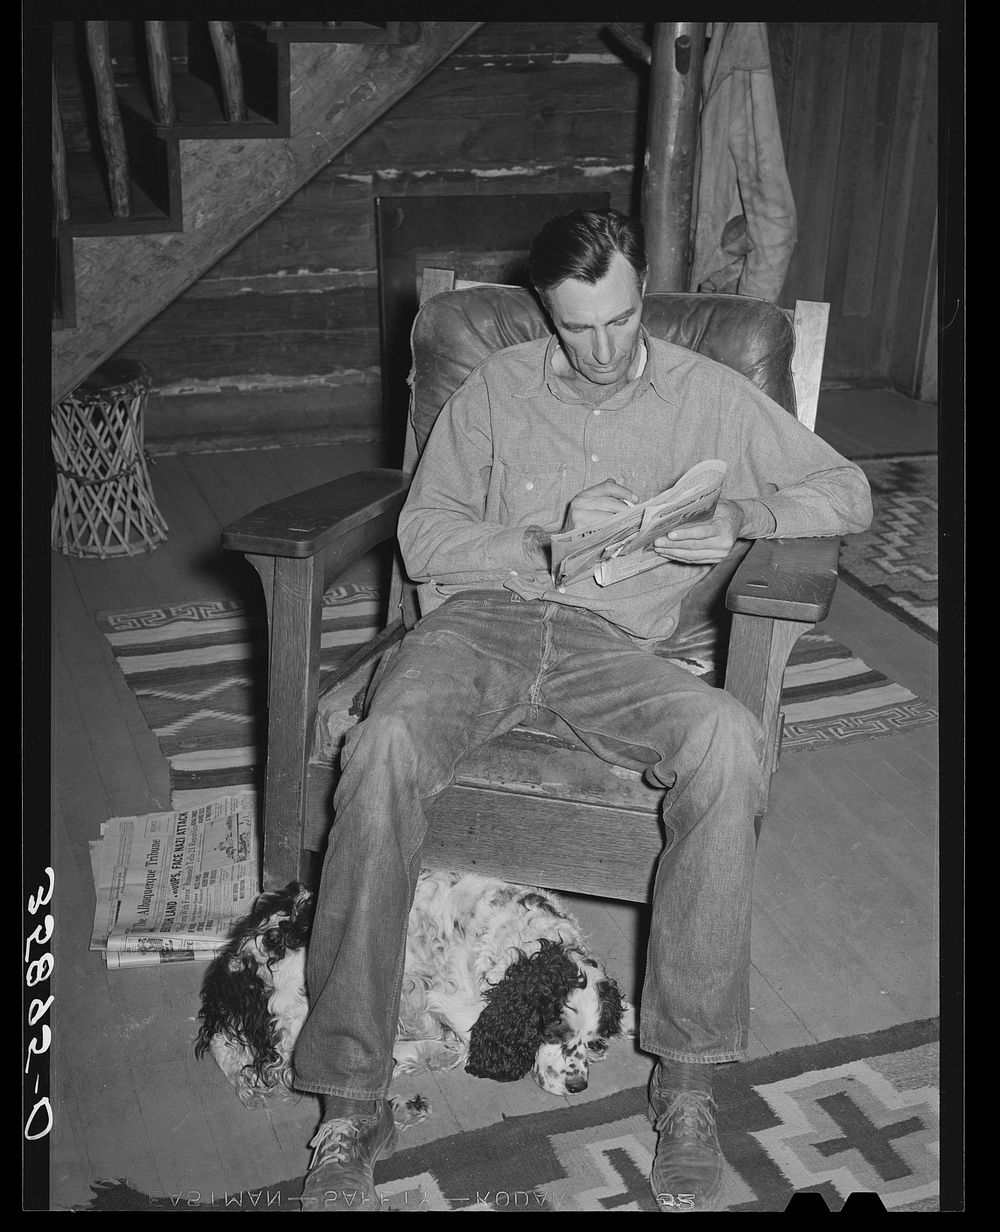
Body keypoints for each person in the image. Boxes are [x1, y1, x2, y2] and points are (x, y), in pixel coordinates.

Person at [292, 209, 872, 1212]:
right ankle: (350, 1097)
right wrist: (534, 548)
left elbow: (848, 490)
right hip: (480, 627)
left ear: (641, 292)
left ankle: (685, 1086)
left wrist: (742, 516)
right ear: (545, 316)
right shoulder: (497, 388)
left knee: (726, 743)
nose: (604, 349)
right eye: (577, 328)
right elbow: (425, 534)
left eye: (624, 319)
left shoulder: (709, 394)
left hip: (615, 647)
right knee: (380, 745)